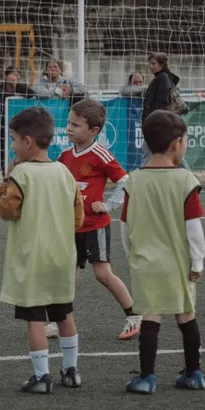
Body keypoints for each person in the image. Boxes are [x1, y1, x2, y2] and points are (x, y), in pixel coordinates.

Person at [0, 107, 84, 394]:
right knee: (64, 313)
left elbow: (8, 211)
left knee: (34, 317)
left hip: (32, 259)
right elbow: (78, 219)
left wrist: (3, 188)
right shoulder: (64, 172)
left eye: (13, 140)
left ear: (28, 141)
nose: (12, 145)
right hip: (61, 257)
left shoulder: (21, 174)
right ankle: (71, 371)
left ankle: (41, 376)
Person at [121, 110, 205, 395]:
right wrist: (197, 261)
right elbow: (193, 228)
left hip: (145, 263)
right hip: (179, 264)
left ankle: (147, 378)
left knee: (150, 318)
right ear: (177, 143)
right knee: (186, 315)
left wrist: (131, 253)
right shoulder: (185, 180)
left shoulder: (133, 180)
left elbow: (125, 224)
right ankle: (193, 373)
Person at [58, 99, 141, 341]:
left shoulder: (100, 154)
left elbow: (126, 182)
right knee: (67, 275)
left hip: (95, 227)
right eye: (68, 123)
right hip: (71, 227)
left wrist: (108, 205)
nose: (69, 128)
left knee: (103, 274)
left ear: (94, 131)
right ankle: (59, 319)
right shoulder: (64, 156)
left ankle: (134, 315)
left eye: (76, 125)